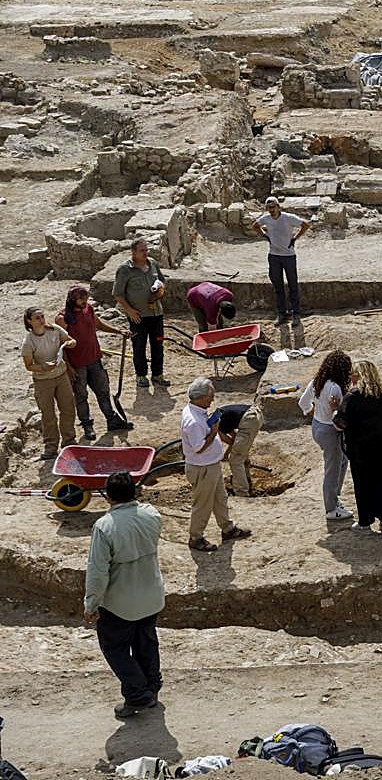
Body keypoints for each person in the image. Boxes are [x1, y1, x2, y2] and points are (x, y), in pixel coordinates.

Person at [83, 470, 164, 719]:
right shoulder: (152, 514)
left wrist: (91, 604)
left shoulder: (104, 527)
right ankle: (151, 687)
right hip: (151, 595)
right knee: (146, 642)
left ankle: (138, 694)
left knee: (115, 648)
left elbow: (98, 572)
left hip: (120, 602)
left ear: (108, 497)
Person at [181, 377, 251, 551]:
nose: (212, 399)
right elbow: (199, 447)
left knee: (220, 498)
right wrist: (213, 432)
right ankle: (196, 537)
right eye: (210, 396)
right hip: (203, 468)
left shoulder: (196, 411)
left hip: (210, 466)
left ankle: (228, 529)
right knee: (203, 505)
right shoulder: (194, 422)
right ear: (201, 397)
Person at [55, 286, 133, 440]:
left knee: (103, 390)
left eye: (85, 298)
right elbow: (59, 345)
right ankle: (87, 425)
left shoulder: (88, 309)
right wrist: (68, 367)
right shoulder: (62, 318)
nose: (84, 301)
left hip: (94, 359)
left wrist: (118, 331)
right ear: (72, 300)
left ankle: (112, 420)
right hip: (77, 364)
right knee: (81, 395)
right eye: (80, 299)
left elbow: (99, 325)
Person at [335, 361, 382, 534]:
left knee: (362, 486)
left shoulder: (353, 396)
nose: (351, 377)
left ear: (359, 376)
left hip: (360, 450)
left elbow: (340, 424)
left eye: (353, 374)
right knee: (381, 485)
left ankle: (365, 522)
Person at [299, 350, 352, 521]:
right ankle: (331, 508)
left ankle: (334, 497)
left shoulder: (317, 382)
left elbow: (303, 402)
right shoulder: (335, 387)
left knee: (343, 460)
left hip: (317, 426)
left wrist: (312, 412)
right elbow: (337, 413)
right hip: (331, 432)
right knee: (332, 469)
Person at [113, 237, 170, 389]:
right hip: (138, 317)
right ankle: (141, 376)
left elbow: (163, 281)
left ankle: (158, 374)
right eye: (142, 250)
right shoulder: (125, 270)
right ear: (133, 252)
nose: (146, 253)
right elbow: (118, 294)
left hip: (156, 314)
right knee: (139, 346)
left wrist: (160, 289)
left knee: (158, 345)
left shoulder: (153, 264)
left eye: (147, 250)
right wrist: (129, 311)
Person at [22, 306, 77, 460]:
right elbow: (28, 365)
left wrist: (71, 343)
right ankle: (51, 447)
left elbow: (70, 339)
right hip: (42, 381)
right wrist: (43, 367)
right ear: (29, 322)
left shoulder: (54, 330)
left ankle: (69, 441)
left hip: (61, 376)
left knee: (68, 408)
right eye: (37, 318)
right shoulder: (28, 342)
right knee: (48, 415)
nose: (41, 320)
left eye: (42, 316)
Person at [253, 196, 309, 327]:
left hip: (288, 256)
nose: (271, 210)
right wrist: (265, 236)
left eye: (273, 207)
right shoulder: (265, 219)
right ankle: (281, 313)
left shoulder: (288, 218)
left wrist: (295, 238)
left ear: (278, 207)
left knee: (293, 285)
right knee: (278, 287)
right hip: (274, 256)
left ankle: (296, 314)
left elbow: (305, 225)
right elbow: (255, 226)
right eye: (269, 208)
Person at [214, 402, 263, 497]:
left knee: (235, 460)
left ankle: (242, 492)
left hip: (249, 420)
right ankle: (246, 479)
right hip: (255, 415)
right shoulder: (220, 417)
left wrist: (225, 455)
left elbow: (228, 440)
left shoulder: (213, 424)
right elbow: (235, 440)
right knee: (241, 450)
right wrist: (226, 454)